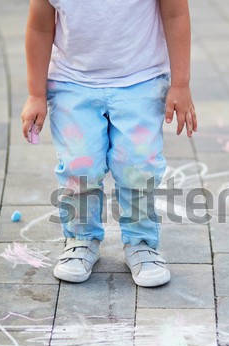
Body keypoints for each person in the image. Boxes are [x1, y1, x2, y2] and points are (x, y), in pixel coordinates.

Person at [21, 0, 197, 286]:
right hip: (72, 84)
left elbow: (175, 12)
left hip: (142, 80)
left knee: (138, 165)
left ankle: (141, 243)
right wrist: (36, 94)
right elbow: (40, 27)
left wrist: (180, 84)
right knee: (81, 165)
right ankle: (81, 238)